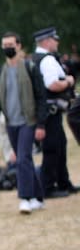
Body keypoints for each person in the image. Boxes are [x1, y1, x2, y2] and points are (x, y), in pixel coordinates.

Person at [0, 32, 47, 214]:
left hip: (28, 122)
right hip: (10, 123)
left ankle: (25, 198)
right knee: (25, 159)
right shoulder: (1, 74)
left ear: (19, 45)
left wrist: (41, 125)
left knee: (21, 159)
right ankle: (38, 197)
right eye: (5, 44)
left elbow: (41, 97)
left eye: (11, 44)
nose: (8, 48)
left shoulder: (29, 67)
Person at [32, 26, 76, 198]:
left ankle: (64, 182)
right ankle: (48, 187)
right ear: (46, 41)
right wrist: (69, 82)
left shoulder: (39, 58)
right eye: (54, 39)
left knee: (60, 146)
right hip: (50, 112)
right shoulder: (47, 60)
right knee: (52, 149)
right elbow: (52, 84)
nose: (57, 43)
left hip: (49, 112)